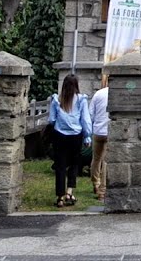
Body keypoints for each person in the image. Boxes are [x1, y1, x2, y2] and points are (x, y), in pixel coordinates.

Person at [48, 73, 92, 207]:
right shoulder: (80, 99)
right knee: (74, 164)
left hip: (59, 135)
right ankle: (69, 192)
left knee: (60, 166)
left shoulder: (57, 99)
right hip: (76, 135)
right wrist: (87, 135)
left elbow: (51, 120)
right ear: (76, 86)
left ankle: (60, 197)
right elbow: (85, 119)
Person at [89, 77, 110, 201]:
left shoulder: (98, 93)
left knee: (96, 159)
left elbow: (91, 113)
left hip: (97, 131)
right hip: (109, 131)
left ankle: (95, 183)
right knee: (106, 161)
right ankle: (103, 190)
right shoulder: (116, 94)